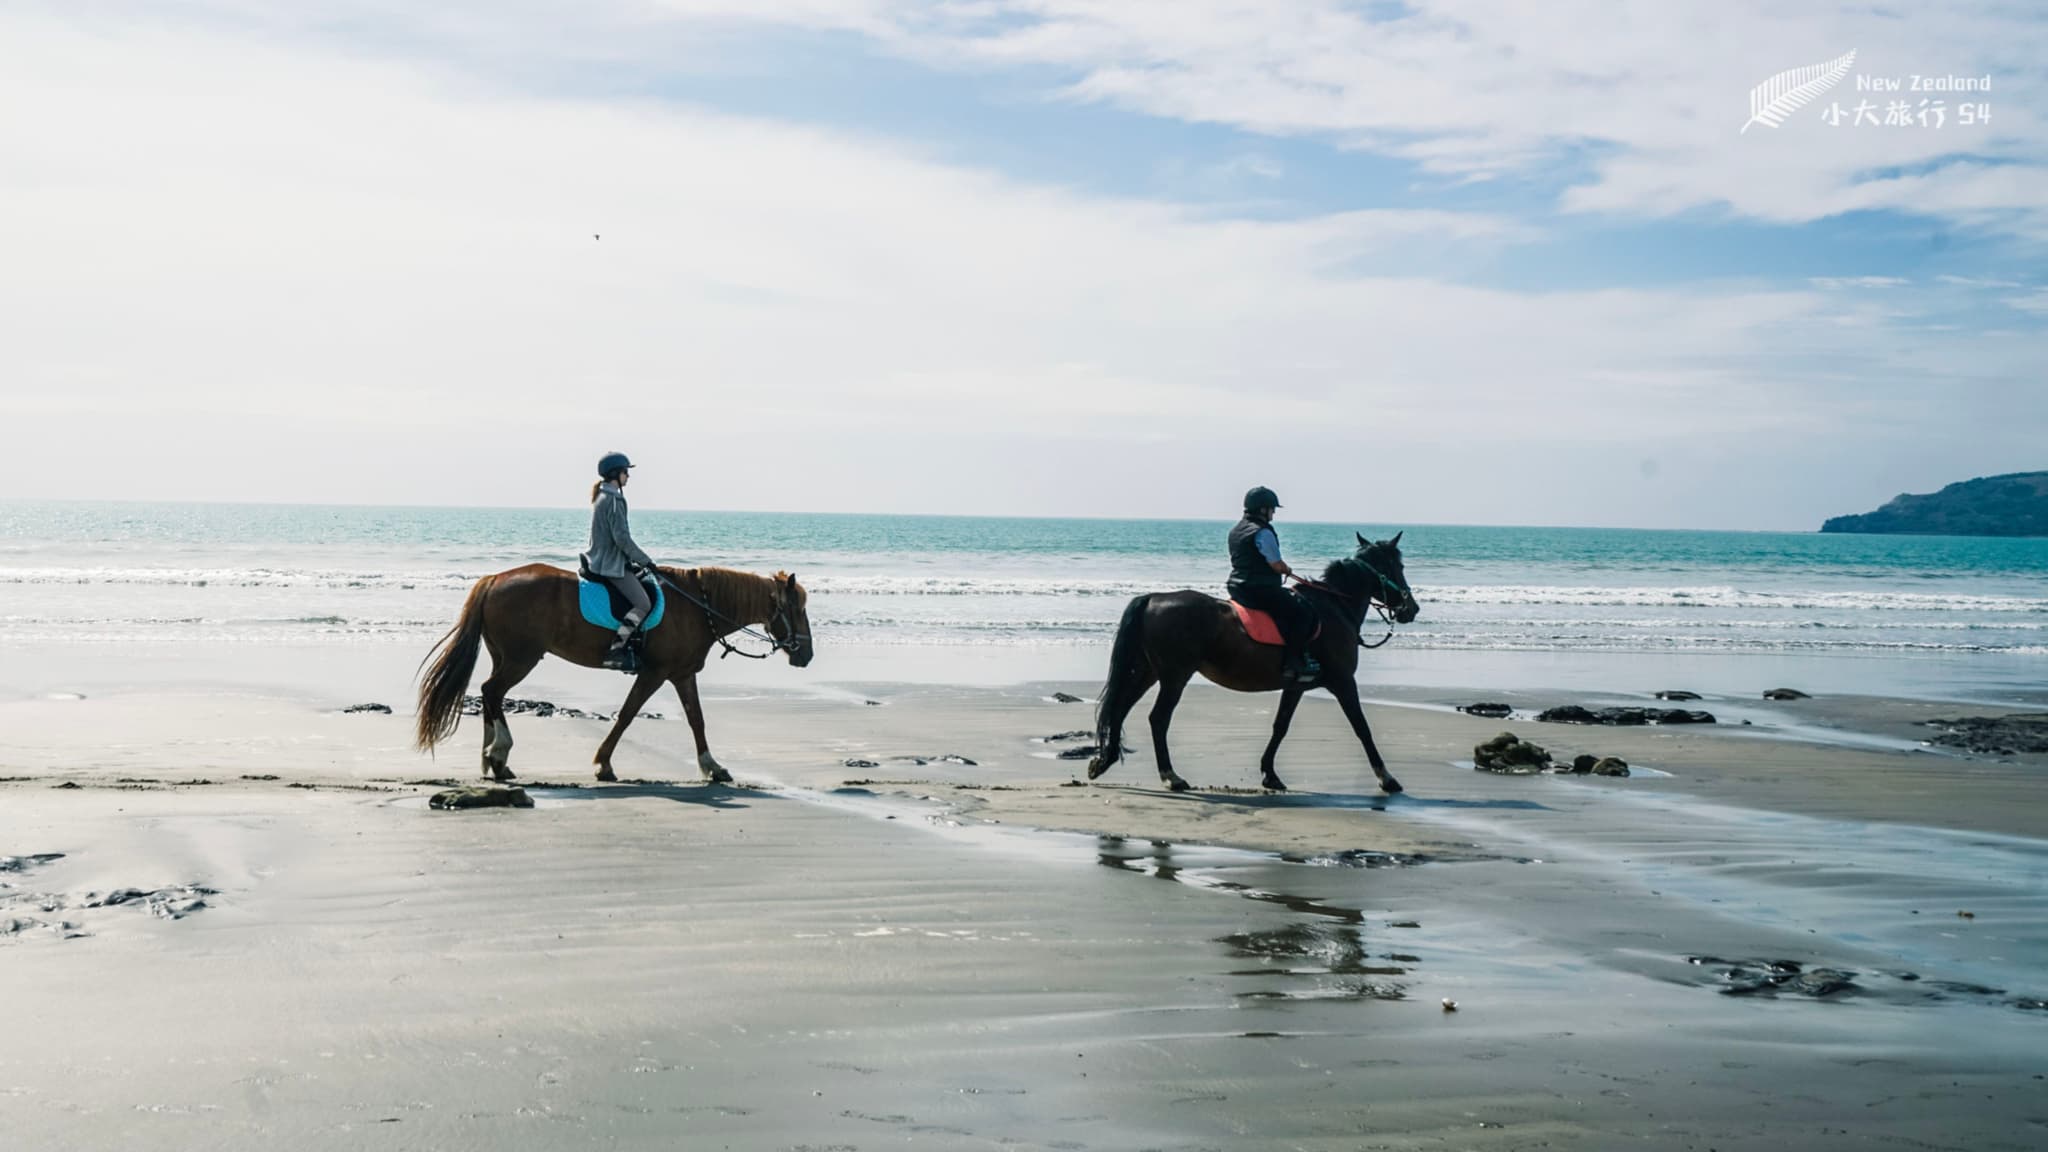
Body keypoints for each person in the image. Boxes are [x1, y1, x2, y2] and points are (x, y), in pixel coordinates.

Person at [1227, 486, 1321, 683]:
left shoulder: (1236, 530)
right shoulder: (1262, 532)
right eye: (1272, 509)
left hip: (1237, 587)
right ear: (1263, 509)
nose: (1273, 513)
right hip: (1260, 589)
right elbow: (1275, 564)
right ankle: (1293, 662)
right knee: (1302, 612)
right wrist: (1286, 569)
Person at [583, 452, 659, 671]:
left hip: (601, 558)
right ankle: (616, 650)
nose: (628, 476)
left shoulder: (602, 496)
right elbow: (622, 539)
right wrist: (646, 561)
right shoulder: (615, 500)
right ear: (616, 473)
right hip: (609, 565)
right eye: (626, 471)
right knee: (643, 604)